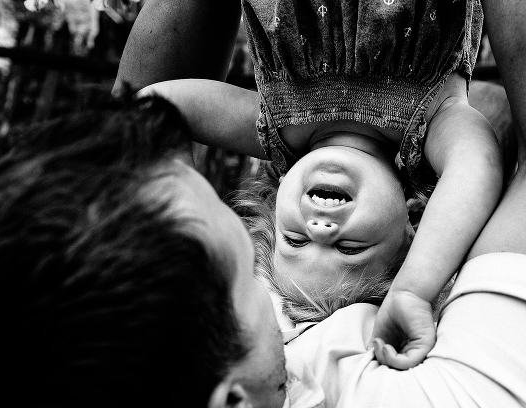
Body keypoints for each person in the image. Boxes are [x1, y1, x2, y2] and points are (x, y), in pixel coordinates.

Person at [0, 0, 526, 408]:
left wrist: (134, 129)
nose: (299, 236)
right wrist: (412, 284)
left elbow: (151, 107)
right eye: (247, 267)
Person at [136, 0, 503, 369]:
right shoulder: (431, 127)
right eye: (349, 249)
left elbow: (153, 104)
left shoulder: (273, 129)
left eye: (295, 241)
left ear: (278, 199)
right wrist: (412, 290)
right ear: (413, 224)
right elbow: (479, 165)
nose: (320, 229)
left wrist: (185, 217)